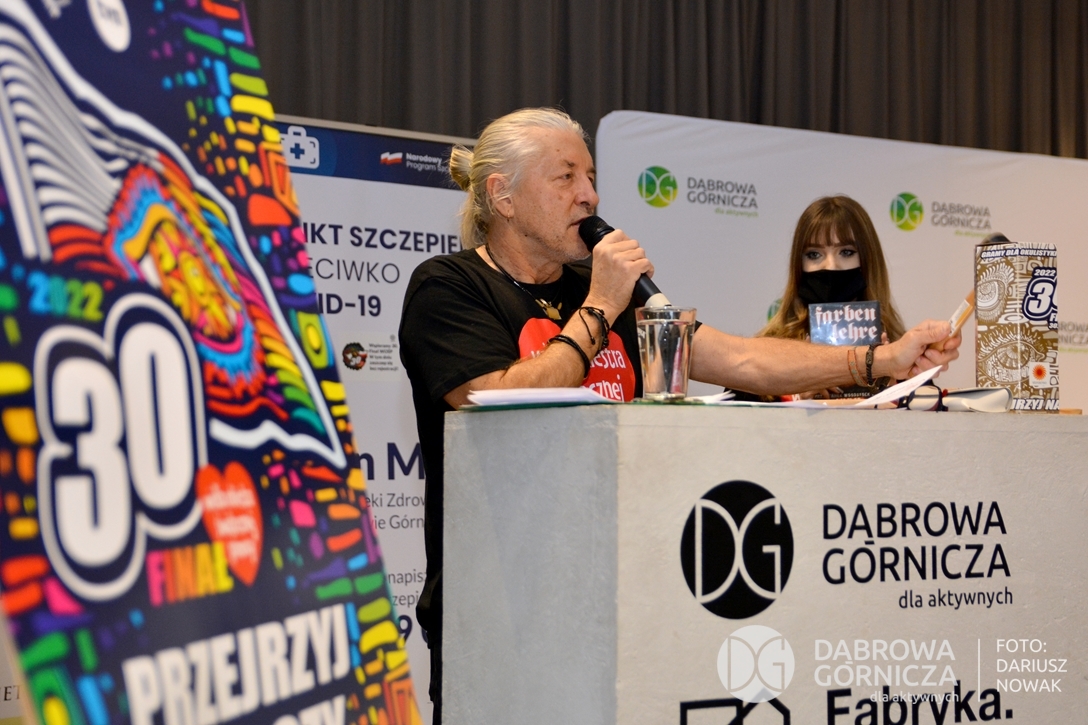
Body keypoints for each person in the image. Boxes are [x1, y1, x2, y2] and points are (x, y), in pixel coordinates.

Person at [398, 108, 960, 722]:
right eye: (566, 177)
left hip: (622, 600)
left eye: (591, 178)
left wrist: (879, 359)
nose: (589, 196)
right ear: (502, 196)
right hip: (502, 610)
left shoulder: (602, 289)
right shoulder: (448, 286)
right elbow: (499, 395)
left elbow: (743, 359)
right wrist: (601, 304)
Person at [760, 194, 905, 343]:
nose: (831, 266)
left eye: (846, 252)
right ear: (798, 264)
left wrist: (885, 357)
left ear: (869, 260)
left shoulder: (903, 348)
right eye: (814, 254)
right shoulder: (768, 348)